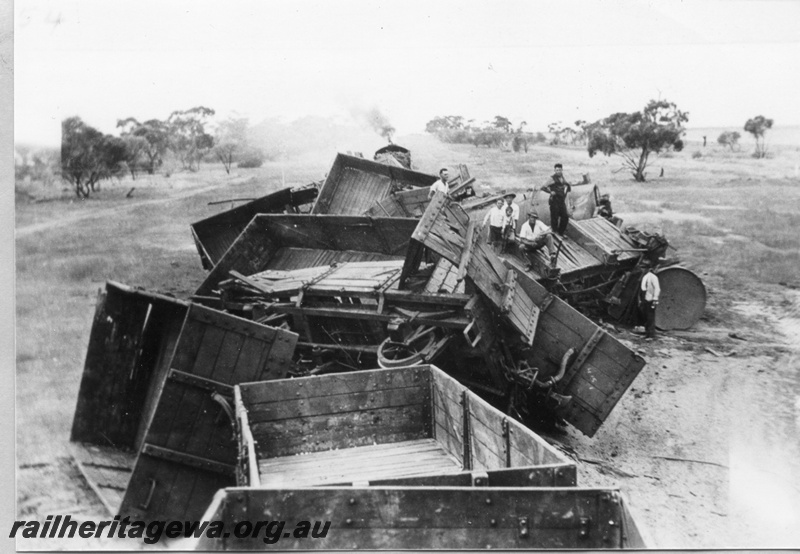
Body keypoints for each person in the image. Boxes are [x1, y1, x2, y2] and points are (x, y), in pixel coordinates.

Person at [541, 163, 572, 235]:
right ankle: (554, 233)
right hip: (554, 200)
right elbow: (543, 187)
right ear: (554, 170)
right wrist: (550, 192)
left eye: (560, 170)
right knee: (554, 217)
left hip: (561, 201)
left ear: (562, 170)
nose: (558, 171)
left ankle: (561, 232)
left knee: (565, 217)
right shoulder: (552, 178)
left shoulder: (563, 178)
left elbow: (566, 186)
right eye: (557, 170)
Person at [640, 261, 660, 339]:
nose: (642, 269)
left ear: (648, 268)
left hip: (651, 299)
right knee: (646, 317)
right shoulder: (644, 276)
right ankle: (647, 334)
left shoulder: (653, 277)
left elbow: (657, 289)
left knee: (650, 317)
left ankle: (651, 335)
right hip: (645, 299)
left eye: (644, 268)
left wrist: (655, 299)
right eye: (641, 268)